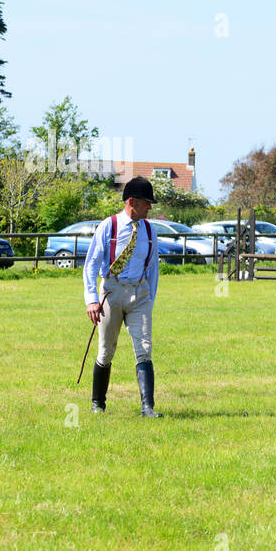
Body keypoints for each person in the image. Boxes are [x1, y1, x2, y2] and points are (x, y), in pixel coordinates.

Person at [83, 176, 163, 418]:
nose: (150, 207)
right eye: (146, 203)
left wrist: (149, 300)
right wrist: (92, 299)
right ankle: (98, 403)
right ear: (131, 202)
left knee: (144, 349)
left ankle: (147, 407)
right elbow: (91, 265)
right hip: (112, 292)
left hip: (140, 294)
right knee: (106, 350)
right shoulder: (109, 226)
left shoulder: (150, 230)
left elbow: (153, 269)